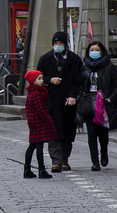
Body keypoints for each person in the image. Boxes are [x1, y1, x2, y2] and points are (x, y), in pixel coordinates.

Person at [35, 30, 84, 171]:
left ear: (65, 44)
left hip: (69, 101)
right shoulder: (45, 59)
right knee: (54, 130)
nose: (58, 45)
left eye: (60, 43)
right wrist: (50, 80)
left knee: (68, 132)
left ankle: (64, 159)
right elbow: (38, 78)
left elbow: (78, 80)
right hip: (51, 100)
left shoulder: (74, 60)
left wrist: (73, 96)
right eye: (56, 43)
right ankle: (56, 160)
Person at [77, 40, 117, 170]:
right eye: (92, 50)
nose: (94, 52)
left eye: (97, 50)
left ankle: (104, 153)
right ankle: (95, 162)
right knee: (91, 133)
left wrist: (110, 98)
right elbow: (80, 86)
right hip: (89, 103)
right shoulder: (84, 67)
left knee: (103, 133)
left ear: (101, 51)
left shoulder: (109, 66)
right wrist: (79, 99)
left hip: (103, 104)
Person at [22, 69, 54, 179]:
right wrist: (48, 119)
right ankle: (41, 169)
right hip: (38, 123)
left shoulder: (32, 93)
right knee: (39, 146)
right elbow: (40, 110)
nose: (41, 81)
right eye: (39, 79)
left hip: (33, 122)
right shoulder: (36, 94)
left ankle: (27, 169)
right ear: (33, 81)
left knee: (32, 146)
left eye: (42, 78)